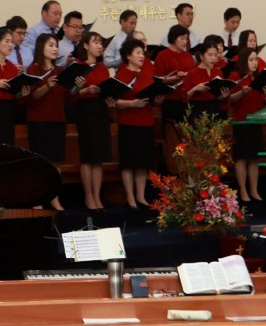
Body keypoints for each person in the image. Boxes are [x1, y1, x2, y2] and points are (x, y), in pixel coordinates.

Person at [114, 38, 164, 209]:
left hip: (146, 122)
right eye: (138, 53)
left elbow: (151, 99)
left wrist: (158, 100)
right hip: (128, 123)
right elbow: (114, 102)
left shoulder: (147, 75)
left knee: (143, 162)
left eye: (143, 53)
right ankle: (130, 197)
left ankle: (140, 196)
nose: (142, 56)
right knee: (129, 163)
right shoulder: (121, 76)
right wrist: (132, 103)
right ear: (128, 56)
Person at [27, 33, 73, 211]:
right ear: (41, 47)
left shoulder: (60, 70)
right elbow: (32, 96)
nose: (55, 49)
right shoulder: (33, 69)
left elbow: (69, 94)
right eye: (51, 45)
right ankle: (37, 199)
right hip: (39, 121)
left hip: (58, 120)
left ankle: (54, 198)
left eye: (56, 46)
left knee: (56, 163)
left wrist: (77, 84)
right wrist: (47, 85)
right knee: (39, 162)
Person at [74, 31, 115, 212]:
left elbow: (107, 89)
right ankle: (88, 195)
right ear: (85, 45)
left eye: (101, 43)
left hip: (101, 111)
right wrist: (85, 90)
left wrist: (111, 98)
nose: (100, 46)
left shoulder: (102, 68)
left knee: (99, 158)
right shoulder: (77, 66)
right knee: (88, 156)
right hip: (85, 111)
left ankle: (97, 195)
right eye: (95, 42)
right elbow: (70, 94)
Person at [229, 48, 266, 202]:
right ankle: (243, 190)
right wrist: (242, 92)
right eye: (251, 60)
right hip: (242, 122)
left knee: (254, 158)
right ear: (244, 61)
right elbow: (230, 100)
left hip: (257, 121)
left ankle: (254, 190)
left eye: (256, 59)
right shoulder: (236, 77)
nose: (255, 62)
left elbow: (263, 101)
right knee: (242, 158)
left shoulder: (259, 78)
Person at [154, 24, 196, 123]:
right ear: (173, 38)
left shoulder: (188, 55)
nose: (185, 42)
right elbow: (158, 80)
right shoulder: (162, 55)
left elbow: (193, 74)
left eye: (186, 39)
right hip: (170, 100)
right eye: (182, 38)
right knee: (172, 129)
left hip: (187, 98)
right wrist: (176, 77)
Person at [182, 41, 226, 121]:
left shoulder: (218, 72)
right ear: (201, 56)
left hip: (214, 109)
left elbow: (222, 98)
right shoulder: (192, 73)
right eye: (210, 55)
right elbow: (184, 98)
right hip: (198, 110)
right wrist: (194, 89)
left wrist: (224, 95)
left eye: (215, 55)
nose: (213, 58)